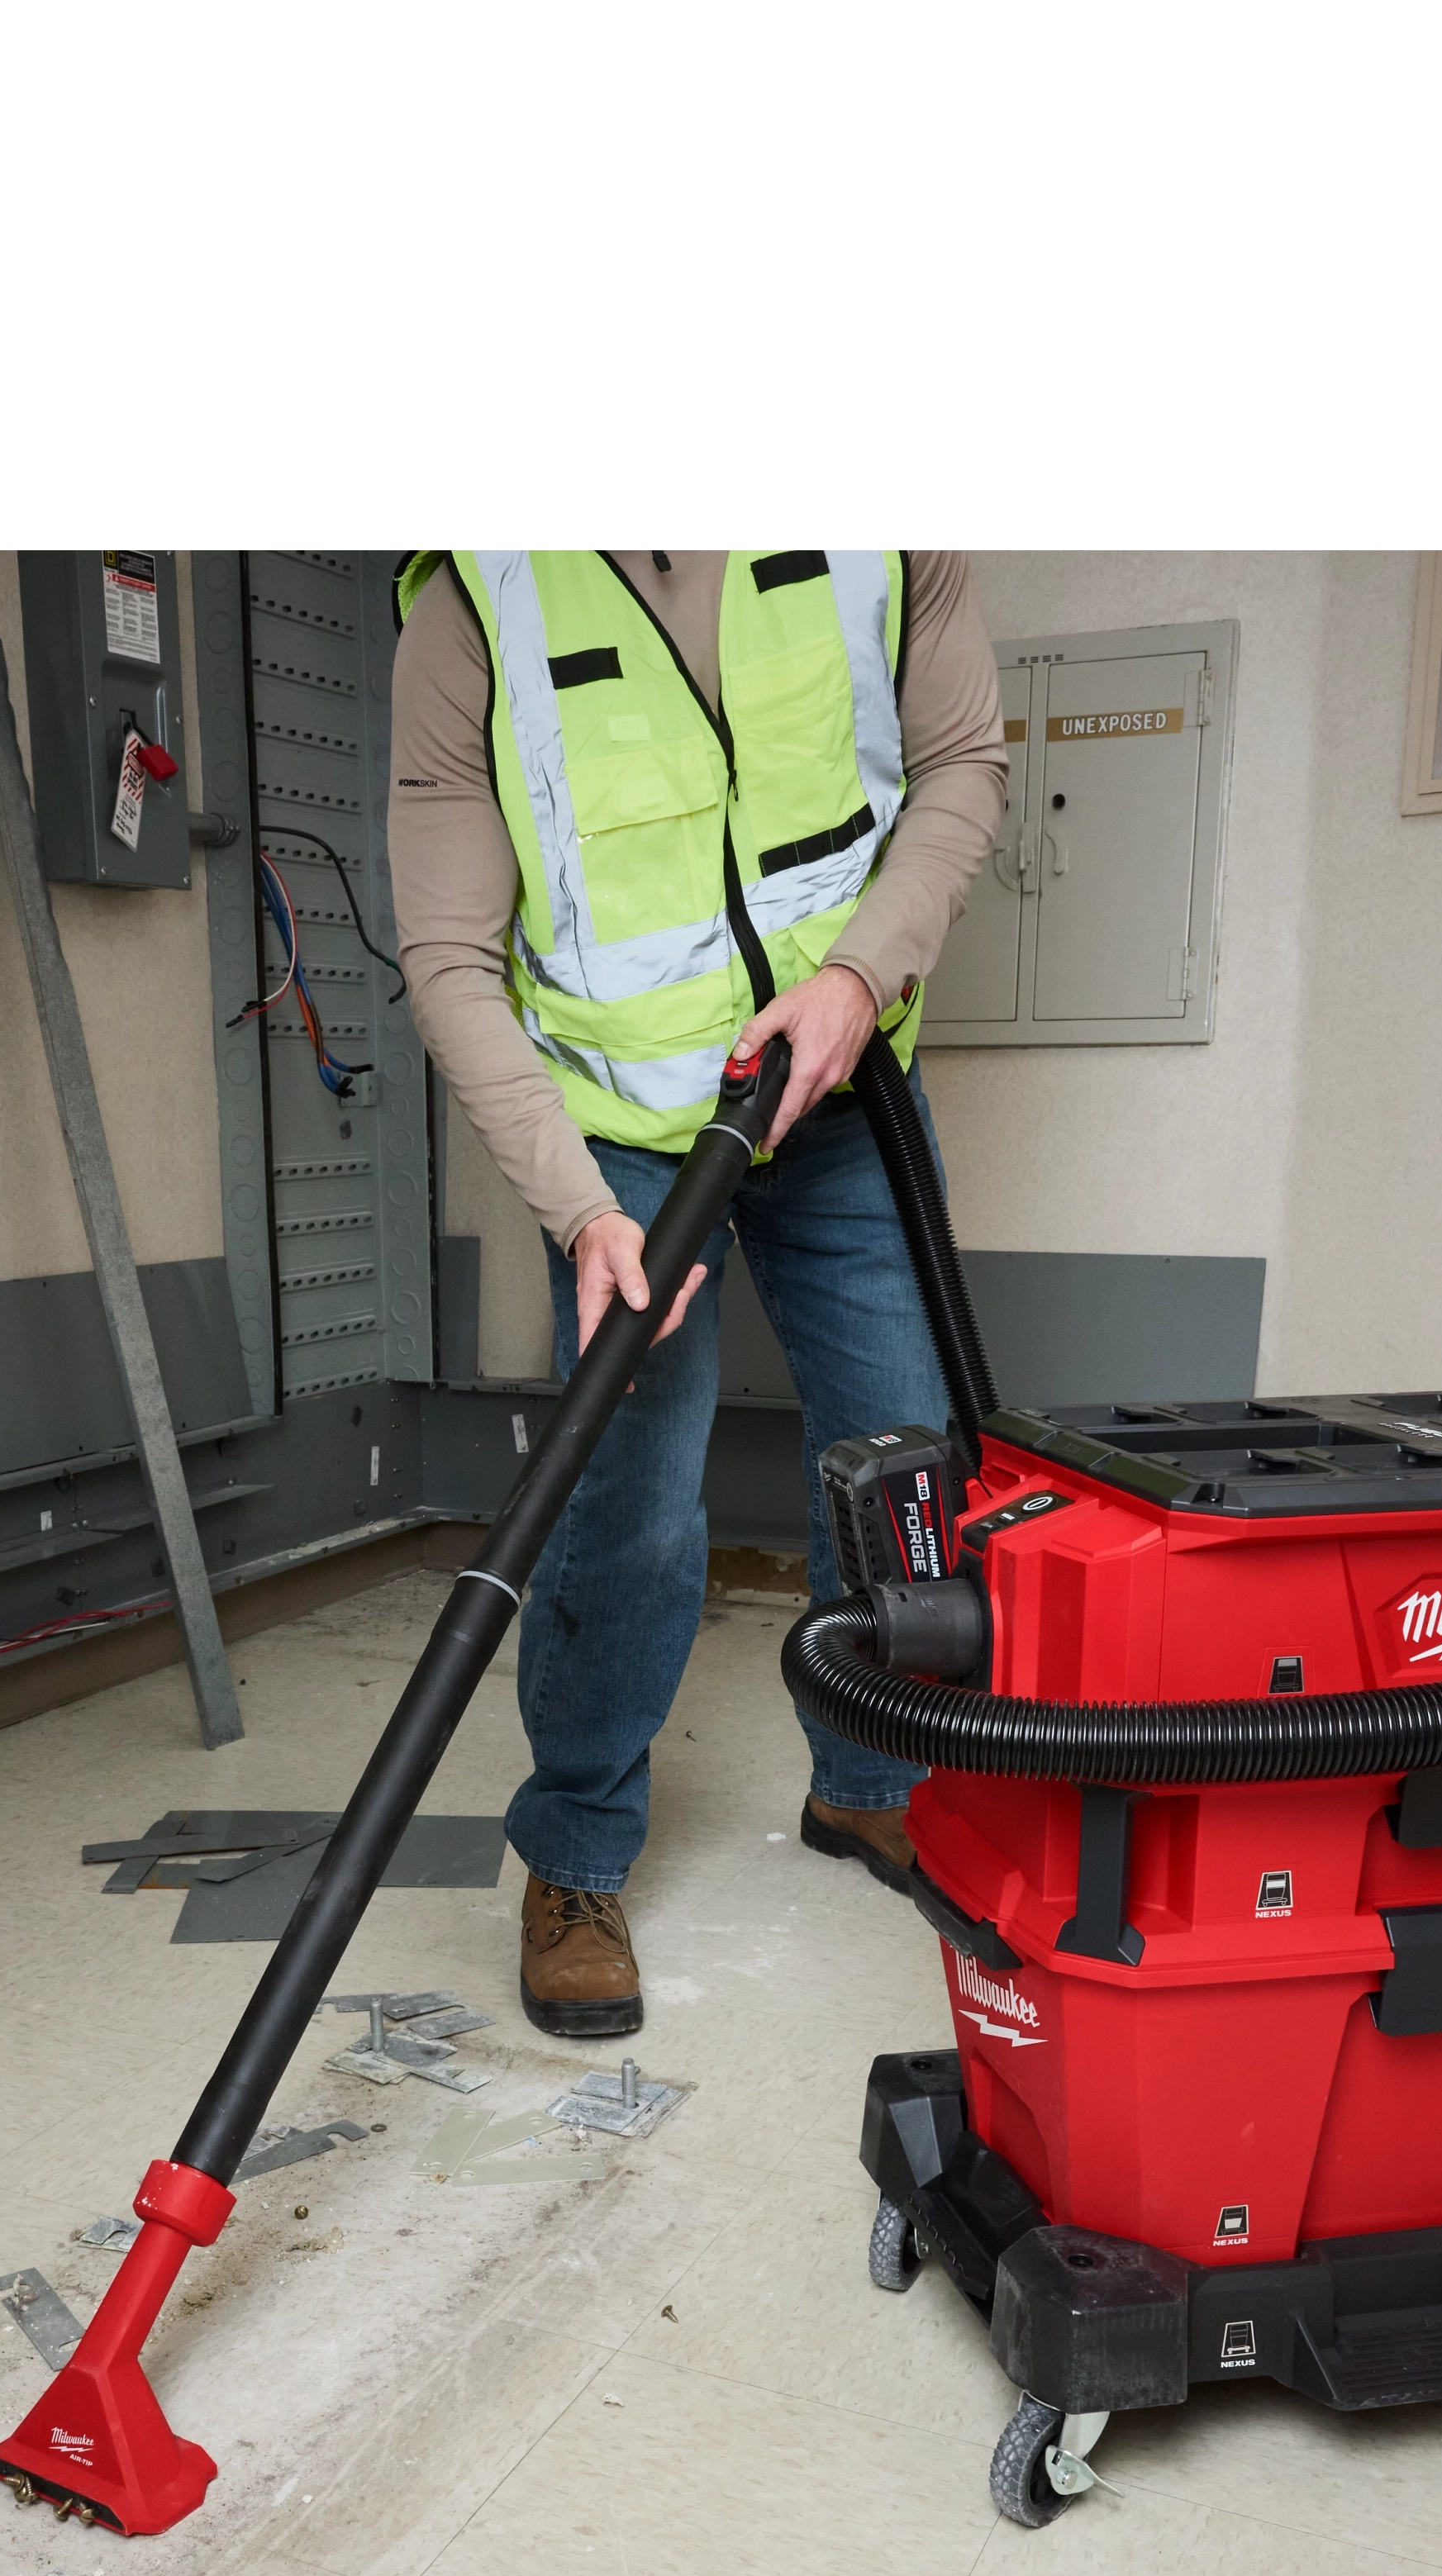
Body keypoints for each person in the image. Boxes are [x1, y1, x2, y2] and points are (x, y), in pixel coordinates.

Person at [387, 549, 1008, 2037]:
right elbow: (448, 955)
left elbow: (963, 764)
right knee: (632, 1491)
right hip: (619, 1138)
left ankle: (874, 1782)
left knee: (904, 1453)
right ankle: (577, 1853)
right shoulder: (478, 598)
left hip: (840, 1083)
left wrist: (863, 977)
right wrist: (580, 1206)